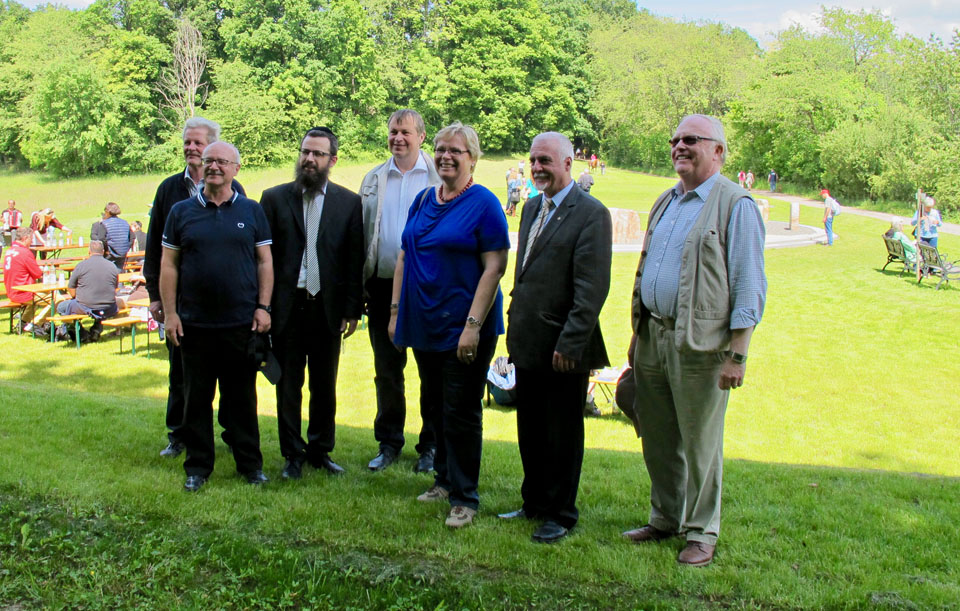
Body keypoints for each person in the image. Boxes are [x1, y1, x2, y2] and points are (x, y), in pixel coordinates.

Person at [625, 114, 766, 567]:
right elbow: (648, 269)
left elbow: (748, 284)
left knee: (700, 444)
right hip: (653, 336)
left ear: (718, 151)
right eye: (675, 140)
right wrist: (638, 335)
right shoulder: (666, 200)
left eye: (691, 140)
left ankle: (702, 531)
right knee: (658, 438)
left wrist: (737, 355)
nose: (679, 147)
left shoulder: (735, 204)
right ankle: (665, 518)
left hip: (702, 346)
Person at [389, 122, 509, 529]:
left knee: (461, 411)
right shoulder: (424, 199)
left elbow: (495, 267)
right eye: (441, 149)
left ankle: (465, 497)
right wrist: (395, 312)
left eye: (455, 150)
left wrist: (472, 325)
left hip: (464, 327)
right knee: (435, 406)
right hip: (425, 323)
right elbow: (405, 255)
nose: (445, 156)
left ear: (472, 158)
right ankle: (443, 481)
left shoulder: (484, 203)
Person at [501, 132, 613, 543]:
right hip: (528, 340)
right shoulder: (532, 206)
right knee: (530, 427)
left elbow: (591, 289)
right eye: (533, 160)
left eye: (545, 161)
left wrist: (571, 342)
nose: (537, 168)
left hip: (563, 347)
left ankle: (561, 513)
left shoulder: (591, 214)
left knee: (562, 433)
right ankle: (533, 503)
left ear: (568, 163)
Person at [160, 140, 273, 492]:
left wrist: (263, 307)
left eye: (222, 162)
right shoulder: (181, 212)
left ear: (236, 169)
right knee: (196, 400)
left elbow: (265, 262)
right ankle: (197, 468)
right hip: (194, 325)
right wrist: (170, 314)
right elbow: (169, 265)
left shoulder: (252, 211)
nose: (214, 167)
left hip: (241, 323)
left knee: (242, 400)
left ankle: (250, 466)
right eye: (209, 160)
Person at [261, 127, 363, 480]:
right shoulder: (274, 199)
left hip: (326, 308)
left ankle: (320, 450)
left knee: (324, 384)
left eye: (318, 154)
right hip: (287, 307)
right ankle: (292, 454)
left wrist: (352, 309)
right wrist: (263, 307)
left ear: (332, 160)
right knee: (288, 385)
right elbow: (263, 259)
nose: (309, 159)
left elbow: (353, 260)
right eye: (306, 151)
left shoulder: (349, 203)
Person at [144, 117, 246, 459]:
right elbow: (156, 249)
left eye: (197, 143)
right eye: (187, 142)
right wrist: (156, 296)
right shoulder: (169, 189)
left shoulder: (236, 189)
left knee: (231, 376)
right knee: (181, 373)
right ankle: (180, 435)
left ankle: (232, 434)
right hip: (181, 302)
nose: (191, 148)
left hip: (225, 304)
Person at [359, 110, 442, 473]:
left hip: (426, 287)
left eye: (406, 132)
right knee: (387, 370)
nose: (398, 138)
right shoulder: (374, 178)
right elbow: (363, 233)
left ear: (421, 136)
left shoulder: (438, 176)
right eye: (393, 131)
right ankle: (389, 442)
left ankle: (431, 446)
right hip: (381, 287)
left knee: (431, 371)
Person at [55, 241, 119, 341]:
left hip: (86, 305)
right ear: (103, 251)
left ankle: (81, 333)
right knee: (99, 307)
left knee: (61, 307)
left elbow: (71, 287)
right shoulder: (112, 266)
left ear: (89, 251)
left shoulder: (81, 265)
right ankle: (96, 329)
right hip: (109, 305)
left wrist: (76, 297)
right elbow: (115, 286)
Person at [3, 227, 42, 332]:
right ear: (25, 238)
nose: (32, 242)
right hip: (24, 293)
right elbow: (38, 274)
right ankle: (34, 324)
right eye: (31, 239)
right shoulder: (25, 252)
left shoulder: (9, 251)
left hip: (11, 291)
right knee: (54, 298)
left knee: (37, 298)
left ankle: (23, 323)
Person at [90, 202, 134, 270]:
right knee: (118, 273)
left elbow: (101, 239)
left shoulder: (104, 224)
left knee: (107, 273)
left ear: (107, 212)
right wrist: (126, 248)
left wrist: (106, 250)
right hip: (122, 254)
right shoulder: (125, 223)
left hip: (109, 255)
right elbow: (132, 237)